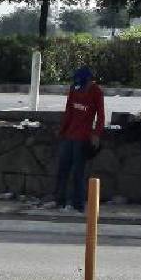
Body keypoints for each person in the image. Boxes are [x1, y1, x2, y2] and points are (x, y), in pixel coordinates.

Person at [46, 65, 105, 213]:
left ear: (89, 81)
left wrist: (96, 134)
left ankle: (77, 204)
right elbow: (69, 111)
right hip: (69, 135)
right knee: (63, 169)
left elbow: (101, 115)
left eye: (82, 85)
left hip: (83, 137)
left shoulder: (96, 92)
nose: (80, 88)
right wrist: (62, 131)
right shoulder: (74, 89)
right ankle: (59, 200)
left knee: (78, 172)